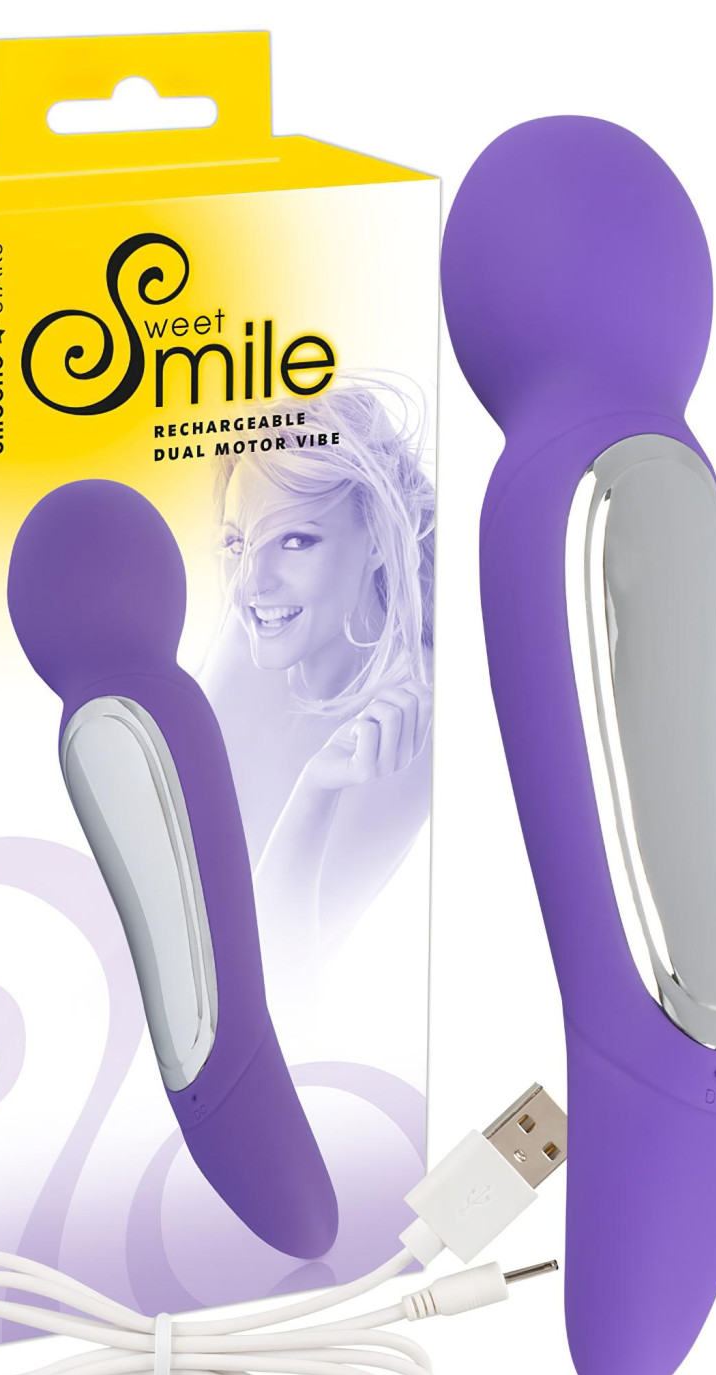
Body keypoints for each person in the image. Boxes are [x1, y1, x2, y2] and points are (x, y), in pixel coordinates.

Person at [201, 380, 434, 985]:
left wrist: (316, 791)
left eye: (295, 540)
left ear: (380, 539)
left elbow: (277, 973)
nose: (251, 584)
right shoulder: (253, 639)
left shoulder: (415, 722)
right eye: (238, 542)